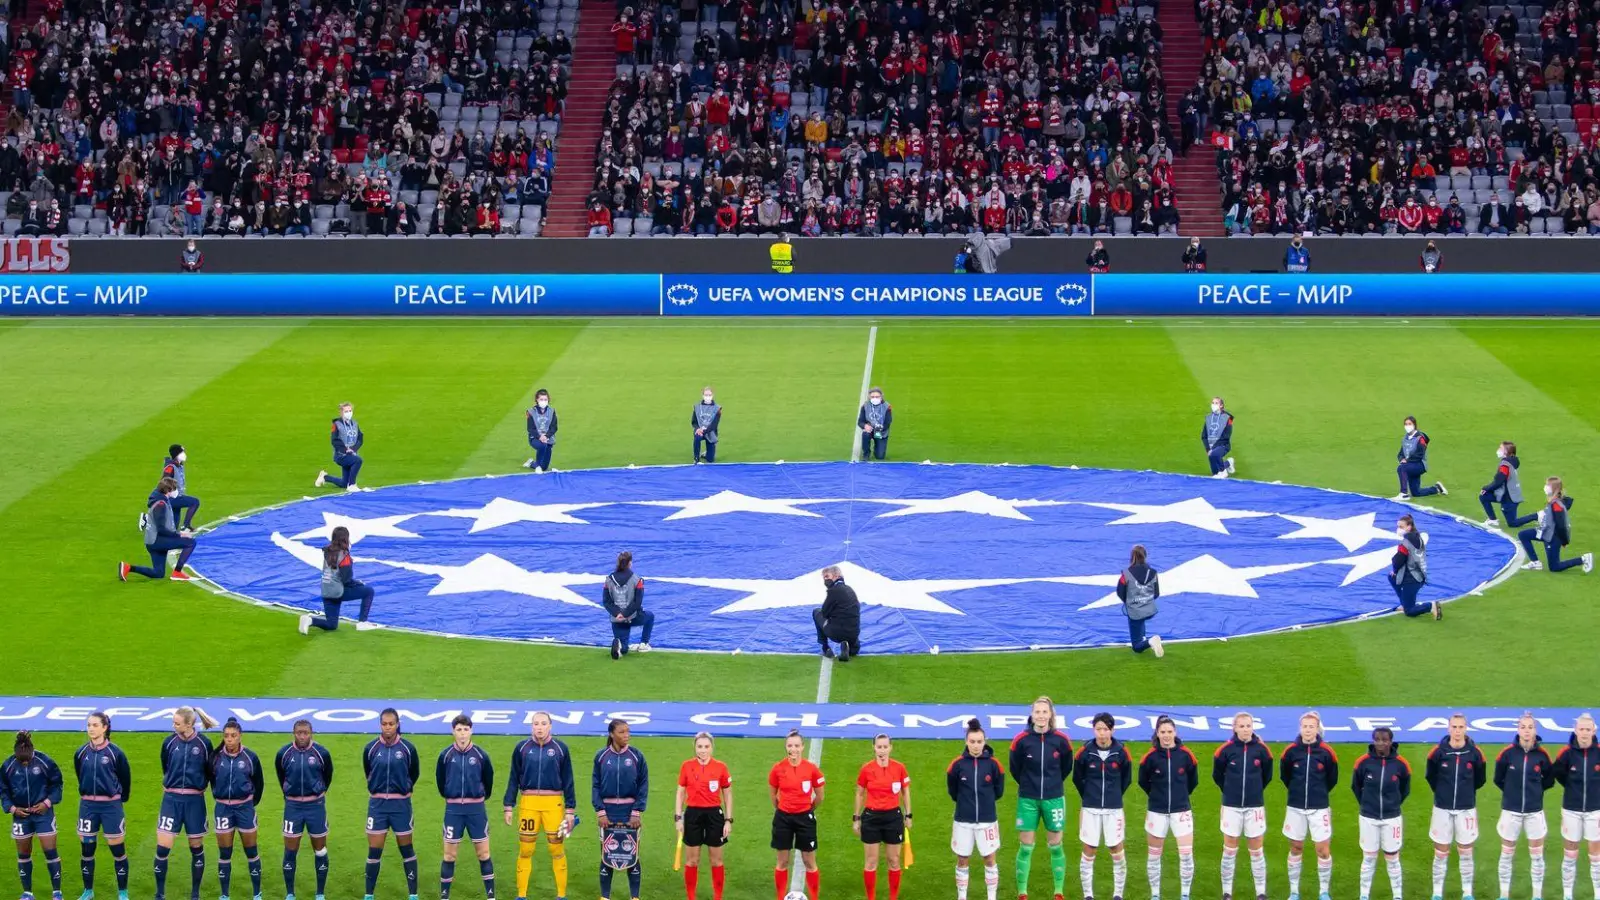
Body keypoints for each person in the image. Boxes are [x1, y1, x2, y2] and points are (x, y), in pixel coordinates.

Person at [503, 712, 576, 900]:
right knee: (526, 849)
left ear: (550, 726)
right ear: (531, 726)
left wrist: (570, 811)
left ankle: (561, 895)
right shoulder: (522, 748)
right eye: (536, 724)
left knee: (556, 849)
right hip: (529, 804)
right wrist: (508, 805)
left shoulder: (561, 749)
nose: (540, 727)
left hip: (554, 804)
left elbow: (568, 780)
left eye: (544, 723)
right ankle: (521, 895)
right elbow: (513, 777)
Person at [1010, 696, 1073, 900]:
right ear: (1032, 714)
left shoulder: (1061, 741)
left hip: (1054, 798)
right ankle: (1022, 892)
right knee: (1026, 846)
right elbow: (1015, 768)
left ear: (1051, 714)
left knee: (1056, 844)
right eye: (1037, 712)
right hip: (1028, 799)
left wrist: (1053, 783)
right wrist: (1029, 784)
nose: (1041, 716)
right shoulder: (1021, 740)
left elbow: (1066, 767)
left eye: (1045, 712)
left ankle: (1058, 891)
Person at [155, 707, 218, 900]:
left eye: (177, 723)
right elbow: (166, 766)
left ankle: (195, 894)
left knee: (196, 847)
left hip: (194, 801)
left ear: (189, 724)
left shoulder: (204, 744)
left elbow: (210, 771)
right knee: (162, 849)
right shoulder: (169, 742)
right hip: (171, 800)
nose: (173, 726)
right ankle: (159, 894)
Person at [1493, 713, 1556, 900]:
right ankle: (1504, 894)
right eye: (1523, 727)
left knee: (1537, 856)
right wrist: (1512, 794)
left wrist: (1534, 794)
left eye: (1530, 727)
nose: (1526, 731)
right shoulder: (1506, 754)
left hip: (1534, 811)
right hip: (1510, 810)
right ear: (1518, 729)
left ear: (1535, 730)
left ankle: (1537, 895)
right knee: (1506, 854)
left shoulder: (1543, 756)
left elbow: (1549, 781)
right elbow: (1498, 779)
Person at [1426, 713, 1487, 900]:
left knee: (1466, 852)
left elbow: (1479, 779)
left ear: (1466, 729)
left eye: (1461, 727)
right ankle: (1437, 893)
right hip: (1442, 808)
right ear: (1448, 728)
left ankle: (1467, 892)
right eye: (1454, 727)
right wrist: (1443, 794)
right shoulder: (1437, 753)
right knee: (1440, 853)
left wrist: (1465, 794)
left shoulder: (1475, 754)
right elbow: (1431, 777)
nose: (1457, 731)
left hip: (1466, 808)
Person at [362, 709, 421, 900]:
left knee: (406, 849)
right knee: (374, 850)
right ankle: (369, 894)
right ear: (380, 725)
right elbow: (368, 771)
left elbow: (414, 773)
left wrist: (405, 788)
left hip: (401, 805)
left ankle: (413, 894)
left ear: (397, 724)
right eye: (384, 724)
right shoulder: (370, 748)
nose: (388, 727)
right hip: (377, 805)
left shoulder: (408, 748)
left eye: (391, 724)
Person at [1213, 711, 1273, 900]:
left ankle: (1261, 892)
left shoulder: (1262, 750)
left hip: (1254, 806)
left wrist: (1254, 791)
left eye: (1248, 726)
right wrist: (1231, 791)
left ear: (1252, 727)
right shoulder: (1225, 750)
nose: (1245, 730)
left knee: (1256, 850)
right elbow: (1218, 776)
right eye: (1241, 726)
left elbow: (1267, 776)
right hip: (1231, 806)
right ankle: (1227, 891)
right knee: (1230, 850)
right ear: (1235, 728)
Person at [1139, 716, 1200, 900]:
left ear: (1175, 732)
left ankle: (1185, 894)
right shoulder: (1149, 758)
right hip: (1156, 811)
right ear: (1157, 733)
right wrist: (1158, 797)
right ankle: (1155, 895)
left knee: (1186, 855)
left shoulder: (1186, 755)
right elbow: (1143, 782)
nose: (1166, 736)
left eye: (1169, 732)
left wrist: (1180, 797)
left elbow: (1192, 782)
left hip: (1181, 810)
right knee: (1154, 857)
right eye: (1163, 732)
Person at [1073, 713, 1132, 900]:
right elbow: (1077, 779)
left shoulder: (1122, 752)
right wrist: (1090, 796)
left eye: (1106, 729)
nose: (1102, 733)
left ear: (1112, 730)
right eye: (1099, 729)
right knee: (1089, 849)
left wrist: (1113, 796)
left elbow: (1126, 780)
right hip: (1091, 809)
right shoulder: (1084, 752)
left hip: (1114, 810)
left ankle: (1118, 894)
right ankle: (1088, 895)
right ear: (1093, 730)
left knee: (1116, 849)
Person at [1280, 712, 1339, 900]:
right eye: (1305, 726)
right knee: (1296, 847)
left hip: (1319, 807)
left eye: (1311, 726)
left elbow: (1332, 779)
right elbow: (1285, 776)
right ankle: (1294, 892)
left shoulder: (1327, 752)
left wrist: (1318, 793)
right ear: (1300, 728)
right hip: (1295, 807)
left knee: (1323, 850)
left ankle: (1323, 892)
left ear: (1317, 729)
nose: (1307, 730)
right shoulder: (1290, 752)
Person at [74, 712, 133, 900]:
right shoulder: (81, 752)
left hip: (110, 807)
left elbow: (125, 778)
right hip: (87, 807)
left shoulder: (116, 753)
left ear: (105, 728)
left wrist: (118, 799)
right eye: (89, 725)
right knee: (87, 849)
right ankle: (88, 891)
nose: (91, 728)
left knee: (118, 850)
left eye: (95, 725)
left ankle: (123, 892)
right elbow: (80, 775)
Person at [436, 715, 496, 900]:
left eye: (465, 729)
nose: (462, 734)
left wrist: (477, 797)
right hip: (453, 811)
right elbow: (441, 782)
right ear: (453, 731)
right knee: (449, 855)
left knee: (483, 853)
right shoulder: (445, 756)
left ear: (471, 730)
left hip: (476, 810)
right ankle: (444, 896)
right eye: (459, 729)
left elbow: (489, 780)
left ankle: (491, 895)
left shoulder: (481, 755)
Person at [3, 731, 65, 900]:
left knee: (50, 852)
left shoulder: (45, 762)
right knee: (23, 855)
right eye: (20, 760)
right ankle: (27, 893)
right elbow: (3, 791)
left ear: (32, 751)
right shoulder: (8, 766)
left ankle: (57, 892)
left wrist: (47, 803)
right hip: (20, 816)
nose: (24, 763)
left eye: (27, 760)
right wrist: (12, 809)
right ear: (15, 754)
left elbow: (57, 784)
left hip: (43, 814)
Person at [276, 721, 334, 900]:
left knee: (320, 849)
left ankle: (320, 893)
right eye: (299, 733)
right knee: (290, 850)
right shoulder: (284, 753)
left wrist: (318, 790)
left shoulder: (321, 753)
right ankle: (290, 893)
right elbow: (281, 775)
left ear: (312, 733)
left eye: (306, 733)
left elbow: (328, 775)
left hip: (315, 806)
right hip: (292, 807)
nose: (302, 736)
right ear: (293, 733)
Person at [1351, 726, 1410, 900]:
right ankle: (1364, 895)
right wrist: (1367, 805)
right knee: (1368, 859)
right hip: (1368, 817)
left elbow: (1405, 789)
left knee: (1392, 858)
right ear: (1373, 740)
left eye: (1384, 740)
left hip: (1392, 818)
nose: (1381, 743)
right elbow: (1356, 787)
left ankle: (1397, 896)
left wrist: (1392, 805)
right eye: (1377, 739)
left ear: (1391, 742)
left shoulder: (1401, 764)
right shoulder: (1363, 762)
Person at [208, 719, 264, 900]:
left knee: (251, 851)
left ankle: (257, 893)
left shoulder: (250, 757)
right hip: (223, 809)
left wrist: (249, 803)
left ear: (240, 736)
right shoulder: (215, 757)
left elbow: (259, 783)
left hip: (245, 808)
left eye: (233, 736)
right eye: (226, 736)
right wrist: (221, 797)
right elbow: (212, 780)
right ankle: (224, 895)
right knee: (225, 853)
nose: (229, 739)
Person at [949, 718, 1005, 900]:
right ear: (966, 741)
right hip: (963, 821)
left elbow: (998, 791)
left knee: (989, 859)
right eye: (972, 742)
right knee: (962, 859)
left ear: (985, 741)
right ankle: (962, 897)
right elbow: (953, 792)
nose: (975, 745)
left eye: (979, 742)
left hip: (987, 820)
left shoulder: (994, 765)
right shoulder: (956, 765)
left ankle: (991, 897)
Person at [593, 720, 647, 900]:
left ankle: (635, 897)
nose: (627, 735)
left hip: (629, 812)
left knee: (632, 855)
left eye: (628, 731)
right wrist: (600, 811)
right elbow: (595, 786)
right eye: (622, 732)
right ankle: (605, 897)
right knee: (607, 854)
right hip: (607, 813)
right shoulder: (601, 757)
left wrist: (637, 811)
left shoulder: (637, 756)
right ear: (611, 734)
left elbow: (643, 786)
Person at [677, 732, 733, 900]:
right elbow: (680, 793)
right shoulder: (686, 766)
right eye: (699, 746)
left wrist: (728, 820)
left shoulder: (721, 767)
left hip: (714, 815)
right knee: (692, 861)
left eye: (706, 747)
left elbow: (728, 794)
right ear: (695, 747)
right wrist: (678, 817)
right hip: (692, 814)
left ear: (712, 748)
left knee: (716, 861)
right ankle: (691, 897)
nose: (703, 750)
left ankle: (717, 897)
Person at [1550, 713, 1600, 900]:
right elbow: (1558, 774)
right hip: (1571, 809)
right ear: (1575, 730)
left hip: (1595, 810)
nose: (1585, 733)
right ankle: (1568, 895)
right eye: (1581, 729)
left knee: (1596, 857)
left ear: (1594, 731)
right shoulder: (1566, 754)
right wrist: (1572, 789)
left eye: (1588, 729)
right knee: (1570, 854)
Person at [769, 730, 824, 900]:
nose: (793, 749)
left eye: (797, 745)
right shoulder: (777, 769)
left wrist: (807, 809)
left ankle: (814, 897)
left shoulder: (812, 769)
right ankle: (780, 897)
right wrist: (784, 809)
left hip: (804, 819)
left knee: (809, 861)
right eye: (790, 745)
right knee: (782, 861)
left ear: (802, 747)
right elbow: (773, 796)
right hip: (783, 818)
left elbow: (820, 796)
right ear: (786, 746)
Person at [854, 734, 910, 900]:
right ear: (874, 747)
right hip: (871, 818)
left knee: (894, 860)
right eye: (879, 747)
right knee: (871, 861)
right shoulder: (866, 769)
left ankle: (893, 897)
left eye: (885, 747)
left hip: (893, 817)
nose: (882, 750)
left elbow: (905, 792)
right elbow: (859, 793)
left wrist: (909, 814)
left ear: (890, 748)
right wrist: (856, 818)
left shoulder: (899, 768)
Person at [299, 526, 378, 634]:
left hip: (326, 591)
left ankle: (310, 620)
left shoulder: (327, 551)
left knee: (332, 625)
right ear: (346, 538)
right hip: (338, 592)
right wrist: (359, 584)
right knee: (369, 591)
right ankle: (362, 623)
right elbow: (346, 580)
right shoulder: (344, 556)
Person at [120, 478, 196, 583]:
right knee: (191, 543)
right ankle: (177, 572)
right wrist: (179, 535)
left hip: (152, 541)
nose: (175, 491)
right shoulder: (160, 505)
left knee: (158, 573)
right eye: (174, 489)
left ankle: (128, 568)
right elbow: (161, 529)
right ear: (167, 491)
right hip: (158, 541)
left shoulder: (160, 500)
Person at [1514, 477, 1594, 573]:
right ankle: (1535, 562)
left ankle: (1583, 559)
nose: (1545, 487)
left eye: (1548, 485)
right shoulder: (1553, 501)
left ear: (1554, 489)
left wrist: (1563, 541)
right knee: (1523, 535)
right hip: (1546, 532)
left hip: (1553, 537)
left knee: (1554, 567)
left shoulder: (1556, 505)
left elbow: (1560, 525)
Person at [603, 551, 654, 658]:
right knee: (650, 616)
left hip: (616, 619)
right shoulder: (637, 580)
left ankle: (619, 643)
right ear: (630, 563)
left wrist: (617, 613)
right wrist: (625, 614)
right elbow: (637, 601)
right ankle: (644, 644)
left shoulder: (609, 579)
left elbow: (606, 601)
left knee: (624, 649)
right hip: (633, 617)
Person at [1390, 515, 1441, 620]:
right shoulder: (1417, 536)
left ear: (1409, 526)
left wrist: (1395, 570)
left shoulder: (1406, 542)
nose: (1398, 529)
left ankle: (1430, 606)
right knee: (1391, 578)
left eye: (1401, 526)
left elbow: (1398, 559)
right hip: (1419, 574)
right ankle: (1405, 603)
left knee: (1410, 612)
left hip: (1411, 578)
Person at [1117, 546, 1164, 657]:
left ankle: (1150, 641)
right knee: (1141, 622)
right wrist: (1145, 601)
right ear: (1145, 556)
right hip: (1149, 609)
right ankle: (1144, 639)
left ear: (1132, 557)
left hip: (1134, 611)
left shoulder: (1126, 574)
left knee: (1136, 647)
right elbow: (1156, 593)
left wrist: (1130, 602)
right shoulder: (1153, 573)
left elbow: (1120, 592)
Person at [813, 566, 860, 661]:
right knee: (853, 652)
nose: (825, 580)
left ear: (836, 575)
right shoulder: (850, 589)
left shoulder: (833, 591)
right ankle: (848, 645)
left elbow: (825, 613)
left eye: (827, 576)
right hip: (854, 633)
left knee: (816, 612)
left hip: (837, 633)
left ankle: (825, 648)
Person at [1395, 416, 1447, 501]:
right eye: (1406, 424)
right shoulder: (1405, 438)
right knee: (1416, 493)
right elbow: (1401, 453)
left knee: (1401, 468)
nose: (1407, 426)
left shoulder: (1420, 438)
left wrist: (1406, 461)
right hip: (1411, 466)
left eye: (1409, 424)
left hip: (1419, 465)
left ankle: (1404, 494)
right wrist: (1401, 459)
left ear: (1414, 425)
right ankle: (1437, 488)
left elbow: (1420, 454)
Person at [316, 402, 364, 492]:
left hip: (352, 454)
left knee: (344, 483)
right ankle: (352, 485)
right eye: (346, 411)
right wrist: (346, 450)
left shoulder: (354, 424)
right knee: (358, 460)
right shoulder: (337, 424)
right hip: (341, 455)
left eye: (350, 410)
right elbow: (334, 440)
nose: (349, 413)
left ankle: (325, 477)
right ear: (341, 412)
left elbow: (360, 438)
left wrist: (353, 449)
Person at [1480, 442, 1524, 528]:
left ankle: (1537, 516)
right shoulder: (1512, 461)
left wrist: (1485, 488)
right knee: (1483, 496)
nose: (1498, 450)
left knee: (1513, 523)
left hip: (1508, 498)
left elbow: (1498, 481)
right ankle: (1493, 520)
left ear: (1506, 451)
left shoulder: (1505, 465)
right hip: (1511, 495)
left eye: (1500, 448)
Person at [159, 445, 200, 531]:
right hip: (173, 498)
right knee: (195, 502)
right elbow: (164, 481)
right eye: (182, 452)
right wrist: (171, 491)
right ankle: (186, 526)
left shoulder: (178, 465)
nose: (184, 454)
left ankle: (148, 521)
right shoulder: (170, 467)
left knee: (174, 526)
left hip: (177, 496)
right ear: (176, 454)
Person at [524, 390, 558, 473]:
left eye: (545, 399)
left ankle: (531, 463)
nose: (543, 401)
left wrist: (546, 436)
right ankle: (538, 466)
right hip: (535, 438)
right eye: (541, 399)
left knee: (544, 467)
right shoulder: (531, 412)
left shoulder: (552, 411)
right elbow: (530, 429)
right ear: (537, 400)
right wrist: (540, 437)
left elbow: (554, 427)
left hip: (548, 438)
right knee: (542, 445)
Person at [1202, 398, 1236, 479]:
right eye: (1213, 403)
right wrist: (1208, 449)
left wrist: (1212, 448)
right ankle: (1228, 463)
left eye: (1216, 403)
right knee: (1215, 473)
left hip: (1223, 444)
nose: (1213, 405)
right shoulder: (1209, 418)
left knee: (1214, 454)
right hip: (1211, 447)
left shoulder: (1227, 418)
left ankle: (1223, 472)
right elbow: (1204, 435)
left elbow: (1226, 436)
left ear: (1221, 405)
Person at [857, 387, 892, 462]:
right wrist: (865, 426)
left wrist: (880, 428)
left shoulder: (887, 406)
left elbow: (888, 422)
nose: (874, 398)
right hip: (870, 430)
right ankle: (866, 454)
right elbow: (860, 421)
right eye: (872, 397)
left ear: (881, 397)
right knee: (865, 434)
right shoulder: (865, 406)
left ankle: (877, 448)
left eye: (877, 397)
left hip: (881, 431)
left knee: (880, 456)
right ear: (869, 397)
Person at [692, 388, 722, 464]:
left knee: (710, 460)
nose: (708, 396)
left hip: (710, 432)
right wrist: (697, 429)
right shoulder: (697, 407)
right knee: (697, 438)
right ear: (703, 395)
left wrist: (704, 430)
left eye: (709, 395)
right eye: (706, 395)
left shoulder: (717, 408)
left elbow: (714, 425)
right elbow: (694, 422)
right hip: (699, 431)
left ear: (712, 395)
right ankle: (696, 458)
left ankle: (706, 454)